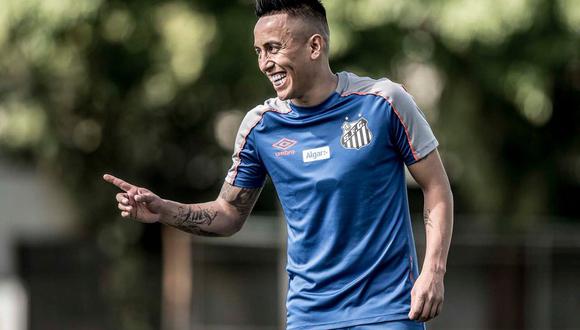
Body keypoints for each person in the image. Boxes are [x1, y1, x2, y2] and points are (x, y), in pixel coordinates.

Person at [103, 0, 453, 329]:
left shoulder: (384, 103)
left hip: (387, 310)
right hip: (309, 315)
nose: (264, 63)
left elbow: (436, 186)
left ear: (314, 47)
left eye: (273, 48)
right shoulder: (261, 127)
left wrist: (433, 272)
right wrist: (164, 209)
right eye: (259, 52)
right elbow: (228, 212)